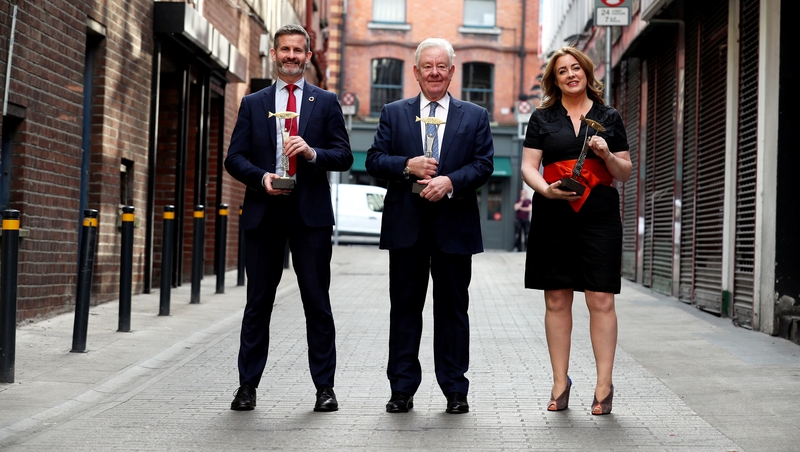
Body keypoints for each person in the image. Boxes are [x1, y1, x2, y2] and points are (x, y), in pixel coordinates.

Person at [224, 24, 353, 412]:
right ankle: (247, 387)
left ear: (308, 56)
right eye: (285, 50)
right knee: (257, 304)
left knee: (317, 303)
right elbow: (234, 158)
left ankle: (325, 389)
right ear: (275, 54)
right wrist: (261, 176)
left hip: (309, 218)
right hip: (264, 215)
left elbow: (344, 156)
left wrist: (313, 153)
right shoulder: (253, 102)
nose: (292, 56)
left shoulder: (326, 103)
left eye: (299, 50)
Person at [366, 38, 494, 414]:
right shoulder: (393, 112)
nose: (435, 72)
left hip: (455, 229)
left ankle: (455, 389)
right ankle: (401, 390)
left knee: (453, 312)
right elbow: (374, 160)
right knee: (405, 311)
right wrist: (407, 166)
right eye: (428, 66)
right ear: (416, 71)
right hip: (406, 229)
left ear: (452, 71)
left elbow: (484, 164)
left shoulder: (475, 115)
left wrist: (449, 182)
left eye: (442, 66)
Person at [520, 46, 632, 415]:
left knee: (601, 298)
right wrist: (545, 190)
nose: (570, 74)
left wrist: (607, 154)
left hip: (598, 215)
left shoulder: (609, 117)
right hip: (554, 212)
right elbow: (528, 167)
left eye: (575, 68)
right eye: (562, 71)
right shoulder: (542, 117)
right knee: (556, 297)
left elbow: (625, 172)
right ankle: (559, 380)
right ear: (554, 79)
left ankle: (604, 384)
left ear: (586, 72)